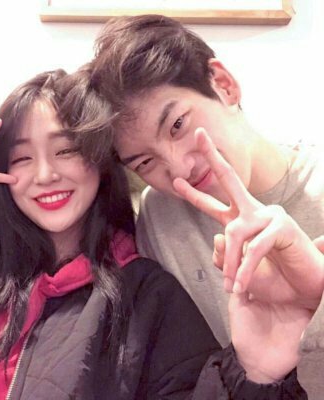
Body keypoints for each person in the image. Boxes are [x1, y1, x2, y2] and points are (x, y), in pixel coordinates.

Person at [0, 69, 309, 399]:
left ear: (101, 160)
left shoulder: (147, 299)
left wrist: (256, 373)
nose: (44, 175)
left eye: (66, 150)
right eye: (22, 157)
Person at [89, 14, 324, 399]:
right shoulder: (160, 216)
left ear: (224, 85)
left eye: (177, 125)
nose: (179, 168)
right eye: (145, 162)